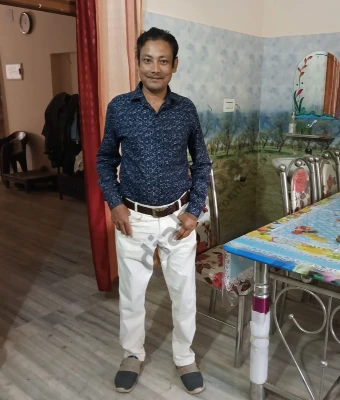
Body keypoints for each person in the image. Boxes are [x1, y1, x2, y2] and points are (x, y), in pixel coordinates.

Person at [96, 27, 211, 395]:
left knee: (184, 294)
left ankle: (184, 356)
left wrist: (194, 211)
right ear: (138, 62)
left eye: (163, 61)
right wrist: (114, 203)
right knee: (132, 294)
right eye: (148, 60)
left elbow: (202, 163)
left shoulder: (186, 109)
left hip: (179, 219)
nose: (155, 68)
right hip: (134, 219)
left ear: (174, 65)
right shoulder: (119, 108)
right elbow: (104, 159)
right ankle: (132, 354)